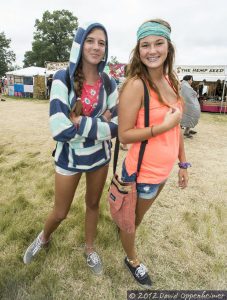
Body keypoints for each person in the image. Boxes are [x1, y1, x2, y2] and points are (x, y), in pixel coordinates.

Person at [23, 21, 118, 275]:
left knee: (93, 204)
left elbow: (118, 126)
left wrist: (84, 124)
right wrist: (101, 123)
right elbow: (60, 129)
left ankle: (89, 249)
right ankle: (43, 238)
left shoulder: (109, 83)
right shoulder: (62, 78)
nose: (96, 47)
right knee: (61, 211)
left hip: (100, 157)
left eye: (101, 43)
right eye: (90, 41)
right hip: (68, 159)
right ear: (79, 44)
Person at [118, 19, 190, 288]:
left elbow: (177, 128)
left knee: (136, 217)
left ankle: (123, 228)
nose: (152, 50)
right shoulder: (136, 85)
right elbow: (124, 134)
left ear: (168, 47)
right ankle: (132, 259)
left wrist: (183, 163)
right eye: (145, 45)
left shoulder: (173, 82)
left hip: (163, 172)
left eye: (158, 43)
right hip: (142, 172)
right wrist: (162, 126)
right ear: (138, 50)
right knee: (131, 223)